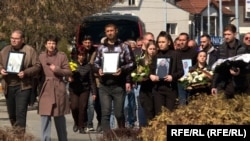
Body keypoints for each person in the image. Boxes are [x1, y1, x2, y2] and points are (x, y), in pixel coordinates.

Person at [93, 23, 136, 133]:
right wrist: (98, 70)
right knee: (105, 113)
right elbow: (95, 63)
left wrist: (122, 69)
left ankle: (122, 134)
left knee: (119, 113)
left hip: (118, 85)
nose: (110, 33)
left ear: (116, 31)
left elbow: (132, 63)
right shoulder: (101, 48)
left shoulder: (124, 47)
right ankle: (107, 137)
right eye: (107, 31)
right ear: (105, 33)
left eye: (111, 30)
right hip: (104, 85)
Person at [0, 29, 40, 132]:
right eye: (12, 38)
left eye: (16, 38)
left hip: (23, 87)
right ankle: (15, 135)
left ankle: (20, 137)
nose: (13, 40)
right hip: (8, 87)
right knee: (12, 115)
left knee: (20, 114)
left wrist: (26, 72)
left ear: (22, 39)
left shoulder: (29, 50)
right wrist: (1, 70)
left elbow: (37, 66)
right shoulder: (5, 50)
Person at [38, 34, 72, 141]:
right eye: (49, 43)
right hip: (46, 88)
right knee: (45, 116)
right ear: (45, 44)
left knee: (59, 117)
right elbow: (36, 69)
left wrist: (57, 69)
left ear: (56, 45)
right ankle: (45, 139)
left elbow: (68, 71)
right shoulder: (41, 56)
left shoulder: (62, 56)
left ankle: (63, 139)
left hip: (58, 88)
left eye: (53, 43)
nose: (51, 45)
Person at [150, 31, 183, 115]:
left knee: (170, 114)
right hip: (158, 89)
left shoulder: (175, 54)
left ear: (168, 42)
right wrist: (151, 76)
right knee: (159, 114)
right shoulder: (156, 55)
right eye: (159, 42)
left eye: (163, 42)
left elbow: (181, 71)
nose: (160, 44)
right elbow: (151, 70)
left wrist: (173, 76)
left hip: (171, 89)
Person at [211, 24, 246, 98]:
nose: (226, 36)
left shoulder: (243, 48)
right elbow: (217, 68)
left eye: (229, 34)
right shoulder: (221, 48)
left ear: (235, 34)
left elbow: (248, 66)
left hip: (238, 84)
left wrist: (240, 71)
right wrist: (213, 86)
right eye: (225, 34)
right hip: (223, 83)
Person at [68, 47, 97, 134]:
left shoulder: (88, 66)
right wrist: (68, 78)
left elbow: (91, 80)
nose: (81, 57)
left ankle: (81, 126)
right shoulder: (72, 64)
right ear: (77, 56)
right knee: (74, 107)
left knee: (83, 107)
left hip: (84, 89)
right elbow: (66, 75)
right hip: (74, 89)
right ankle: (76, 122)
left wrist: (94, 92)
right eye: (80, 55)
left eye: (83, 55)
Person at [80, 35, 102, 132]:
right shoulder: (80, 52)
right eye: (86, 42)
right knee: (86, 104)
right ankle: (87, 123)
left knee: (96, 103)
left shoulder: (96, 52)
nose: (87, 44)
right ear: (83, 43)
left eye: (89, 42)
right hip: (84, 81)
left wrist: (91, 67)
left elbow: (96, 65)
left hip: (96, 80)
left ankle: (100, 123)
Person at [137, 40, 157, 125]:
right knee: (148, 112)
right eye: (150, 49)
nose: (152, 51)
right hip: (146, 89)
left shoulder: (158, 60)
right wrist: (143, 77)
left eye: (154, 49)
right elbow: (138, 75)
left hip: (156, 89)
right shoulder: (142, 61)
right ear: (147, 50)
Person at [176, 32, 198, 105]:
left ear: (188, 40)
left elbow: (197, 65)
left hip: (191, 81)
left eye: (183, 40)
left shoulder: (194, 52)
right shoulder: (176, 53)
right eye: (180, 40)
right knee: (182, 103)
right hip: (180, 82)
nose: (181, 42)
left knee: (191, 103)